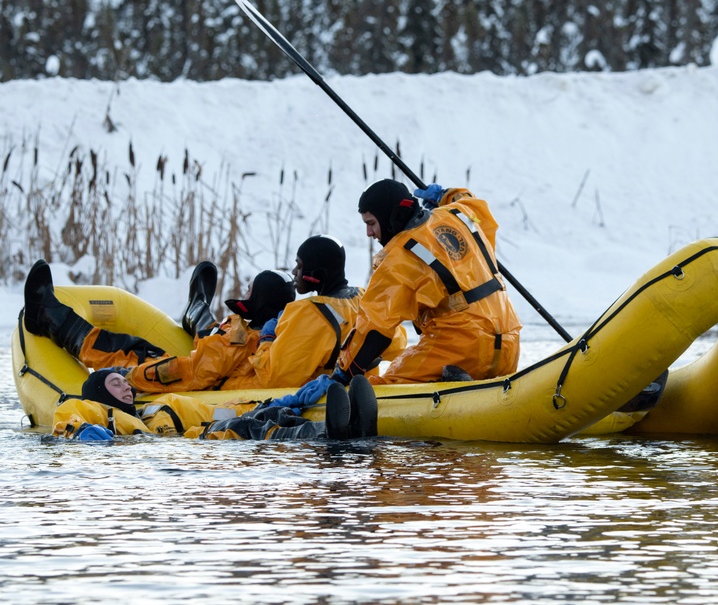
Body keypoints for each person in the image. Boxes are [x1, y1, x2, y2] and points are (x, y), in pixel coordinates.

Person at [330, 178, 521, 386]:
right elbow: (468, 200)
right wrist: (445, 195)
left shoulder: (399, 257)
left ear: (389, 217)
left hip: (461, 349)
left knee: (386, 385)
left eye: (371, 223)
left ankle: (449, 386)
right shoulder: (459, 214)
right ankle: (460, 385)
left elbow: (375, 324)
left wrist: (344, 372)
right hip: (509, 342)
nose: (369, 233)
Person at [22, 259, 295, 393]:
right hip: (226, 370)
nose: (243, 295)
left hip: (209, 387)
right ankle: (197, 311)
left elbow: (194, 373)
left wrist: (130, 376)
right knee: (214, 339)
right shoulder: (278, 335)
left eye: (249, 291)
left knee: (135, 352)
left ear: (258, 300)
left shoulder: (239, 339)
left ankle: (50, 319)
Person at [249, 234, 407, 390]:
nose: (294, 271)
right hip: (363, 394)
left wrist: (267, 340)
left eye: (299, 265)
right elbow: (397, 345)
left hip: (325, 403)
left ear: (315, 275)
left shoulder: (308, 313)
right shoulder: (364, 297)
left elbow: (274, 379)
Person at [52, 367, 379, 441]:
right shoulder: (98, 413)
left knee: (264, 415)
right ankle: (328, 434)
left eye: (125, 382)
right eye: (115, 383)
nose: (125, 387)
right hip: (194, 446)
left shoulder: (162, 406)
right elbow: (67, 414)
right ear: (99, 393)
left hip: (200, 436)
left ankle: (348, 427)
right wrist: (80, 433)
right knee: (246, 427)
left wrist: (279, 402)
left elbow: (223, 411)